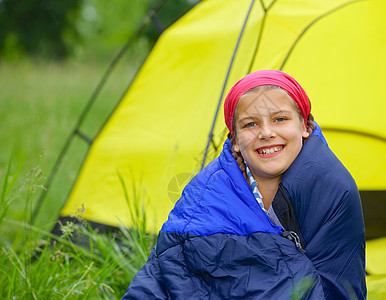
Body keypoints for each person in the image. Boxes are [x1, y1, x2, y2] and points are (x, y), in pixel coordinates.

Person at [123, 70, 366, 299]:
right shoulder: (206, 194)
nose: (267, 133)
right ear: (235, 140)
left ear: (304, 126)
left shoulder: (333, 187)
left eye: (280, 119)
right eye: (250, 124)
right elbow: (169, 271)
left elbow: (339, 286)